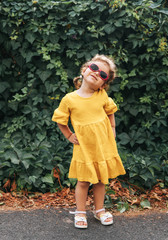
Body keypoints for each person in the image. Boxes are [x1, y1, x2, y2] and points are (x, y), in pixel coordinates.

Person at [52, 54, 126, 229]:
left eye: (103, 74)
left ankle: (99, 210)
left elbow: (110, 111)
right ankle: (80, 211)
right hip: (84, 147)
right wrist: (69, 135)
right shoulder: (69, 99)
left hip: (102, 145)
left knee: (101, 179)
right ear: (84, 69)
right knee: (84, 181)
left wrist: (113, 128)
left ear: (104, 84)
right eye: (94, 68)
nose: (96, 73)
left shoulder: (101, 95)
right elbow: (60, 120)